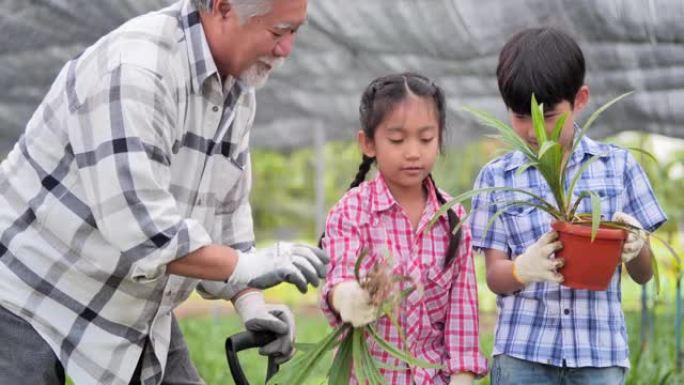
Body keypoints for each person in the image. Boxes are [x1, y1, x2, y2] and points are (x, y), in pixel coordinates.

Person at [0, 0, 329, 384]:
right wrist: (248, 266)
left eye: (294, 32)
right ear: (222, 8)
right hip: (31, 293)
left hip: (132, 304)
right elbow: (141, 229)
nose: (286, 48)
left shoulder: (237, 90)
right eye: (277, 32)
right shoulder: (137, 69)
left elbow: (225, 210)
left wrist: (250, 300)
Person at [469, 27, 667, 385]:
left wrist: (636, 246)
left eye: (547, 115)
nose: (533, 132)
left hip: (599, 355)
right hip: (522, 354)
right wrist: (521, 270)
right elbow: (494, 277)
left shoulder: (617, 166)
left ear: (580, 100)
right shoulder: (496, 177)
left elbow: (644, 274)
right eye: (520, 116)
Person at [319, 72, 488, 385]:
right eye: (397, 140)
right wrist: (349, 298)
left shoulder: (453, 218)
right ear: (368, 143)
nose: (413, 152)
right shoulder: (352, 211)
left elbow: (462, 315)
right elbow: (337, 278)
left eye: (426, 139)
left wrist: (462, 378)